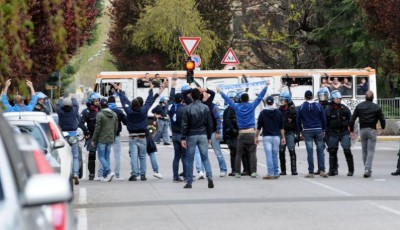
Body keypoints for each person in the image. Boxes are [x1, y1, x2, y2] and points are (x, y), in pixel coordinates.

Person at [217, 80, 269, 178]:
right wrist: (266, 87)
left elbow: (228, 100)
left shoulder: (236, 107)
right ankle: (253, 172)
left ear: (240, 100)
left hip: (241, 133)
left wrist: (220, 92)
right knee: (252, 152)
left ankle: (237, 172)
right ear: (248, 99)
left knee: (238, 153)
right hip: (251, 132)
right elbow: (260, 97)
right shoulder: (252, 106)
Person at [118, 80, 167, 181]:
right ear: (140, 105)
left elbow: (124, 102)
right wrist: (151, 90)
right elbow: (150, 100)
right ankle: (143, 174)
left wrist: (119, 92)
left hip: (132, 136)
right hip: (142, 136)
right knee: (142, 156)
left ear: (132, 105)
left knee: (133, 156)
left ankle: (134, 174)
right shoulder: (144, 110)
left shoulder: (129, 111)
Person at [181, 88, 214, 189]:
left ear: (191, 96)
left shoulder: (187, 108)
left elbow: (185, 124)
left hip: (191, 135)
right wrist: (209, 136)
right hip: (203, 134)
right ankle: (209, 177)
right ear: (200, 96)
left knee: (190, 159)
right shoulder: (205, 107)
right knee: (205, 157)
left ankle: (189, 182)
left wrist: (183, 137)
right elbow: (209, 123)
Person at [350, 90, 385, 178]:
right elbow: (382, 119)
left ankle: (367, 169)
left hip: (363, 130)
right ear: (373, 98)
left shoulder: (359, 106)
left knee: (364, 151)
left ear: (365, 97)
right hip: (372, 130)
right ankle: (367, 169)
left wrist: (351, 130)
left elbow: (352, 119)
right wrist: (382, 128)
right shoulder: (376, 107)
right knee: (370, 151)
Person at [296, 90, 328, 178]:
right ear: (313, 96)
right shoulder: (318, 105)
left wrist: (301, 131)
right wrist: (323, 129)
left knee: (310, 151)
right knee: (320, 150)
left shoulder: (302, 107)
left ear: (305, 97)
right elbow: (323, 118)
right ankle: (322, 170)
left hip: (307, 130)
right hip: (318, 129)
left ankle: (311, 171)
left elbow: (298, 120)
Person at [325, 90, 354, 176]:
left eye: (339, 98)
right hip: (333, 133)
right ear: (332, 99)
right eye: (336, 98)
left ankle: (351, 170)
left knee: (347, 150)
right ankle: (332, 170)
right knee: (332, 151)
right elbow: (325, 122)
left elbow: (351, 120)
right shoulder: (328, 110)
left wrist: (351, 131)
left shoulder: (344, 109)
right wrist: (326, 134)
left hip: (344, 132)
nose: (338, 100)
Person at [256, 96, 285, 180]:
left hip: (267, 136)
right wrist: (283, 137)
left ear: (266, 102)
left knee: (269, 155)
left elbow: (259, 127)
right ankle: (276, 172)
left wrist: (256, 137)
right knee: (275, 155)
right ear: (273, 102)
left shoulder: (263, 113)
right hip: (276, 136)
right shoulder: (278, 112)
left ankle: (270, 173)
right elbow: (281, 127)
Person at [201, 89, 227, 177]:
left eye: (204, 94)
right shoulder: (200, 105)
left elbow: (218, 119)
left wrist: (218, 132)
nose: (203, 95)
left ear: (208, 95)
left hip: (213, 132)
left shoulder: (213, 106)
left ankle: (223, 169)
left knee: (218, 152)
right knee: (203, 153)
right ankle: (202, 171)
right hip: (203, 133)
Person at [92, 98, 118, 182]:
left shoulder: (99, 114)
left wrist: (94, 139)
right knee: (106, 157)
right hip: (110, 138)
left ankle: (108, 172)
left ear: (101, 105)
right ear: (108, 105)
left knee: (101, 157)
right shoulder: (114, 114)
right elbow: (115, 127)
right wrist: (113, 137)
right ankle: (105, 176)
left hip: (101, 138)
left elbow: (97, 128)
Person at [56, 96, 80, 185]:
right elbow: (76, 105)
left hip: (63, 135)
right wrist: (73, 98)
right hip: (73, 134)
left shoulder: (60, 112)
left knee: (63, 155)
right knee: (75, 155)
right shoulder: (74, 111)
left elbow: (57, 106)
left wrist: (60, 99)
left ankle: (64, 174)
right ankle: (76, 173)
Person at [79, 92, 102, 180]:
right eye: (96, 101)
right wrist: (86, 132)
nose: (98, 102)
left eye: (98, 100)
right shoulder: (86, 112)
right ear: (91, 101)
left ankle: (102, 173)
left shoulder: (101, 110)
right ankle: (91, 174)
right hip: (92, 136)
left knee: (102, 156)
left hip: (101, 135)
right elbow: (80, 123)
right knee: (92, 155)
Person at [278, 92, 298, 176]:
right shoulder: (278, 111)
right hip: (281, 134)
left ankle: (294, 170)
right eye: (281, 100)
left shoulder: (293, 111)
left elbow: (297, 123)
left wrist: (297, 133)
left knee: (292, 150)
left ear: (287, 101)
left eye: (283, 100)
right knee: (281, 151)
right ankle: (283, 170)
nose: (281, 102)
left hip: (290, 133)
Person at [107, 95, 127, 180]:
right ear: (115, 102)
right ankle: (117, 175)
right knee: (117, 156)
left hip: (107, 136)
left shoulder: (105, 111)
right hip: (117, 135)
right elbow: (125, 121)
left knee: (105, 155)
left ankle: (105, 174)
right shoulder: (119, 111)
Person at [169, 92, 187, 182]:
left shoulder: (172, 108)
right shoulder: (184, 108)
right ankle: (186, 175)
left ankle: (175, 176)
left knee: (176, 156)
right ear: (182, 100)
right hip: (182, 135)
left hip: (174, 134)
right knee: (184, 156)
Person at [223, 91, 240, 176]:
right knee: (234, 153)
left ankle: (236, 170)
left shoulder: (233, 109)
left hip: (234, 133)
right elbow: (224, 124)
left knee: (235, 153)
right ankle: (236, 169)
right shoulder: (229, 110)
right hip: (232, 134)